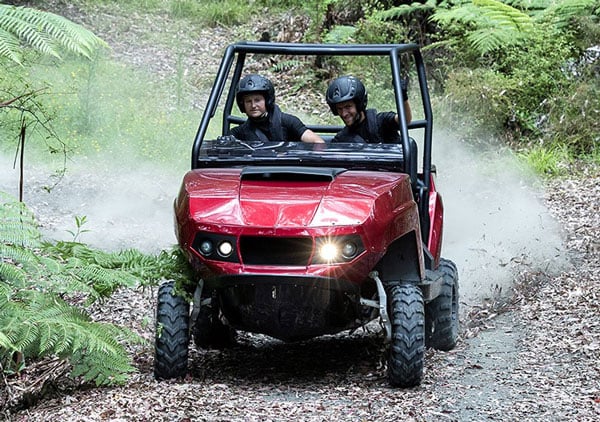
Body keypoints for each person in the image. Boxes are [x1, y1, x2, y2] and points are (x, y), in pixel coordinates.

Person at [231, 74, 324, 143]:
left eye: (257, 100)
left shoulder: (288, 122)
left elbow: (318, 142)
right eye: (248, 101)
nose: (253, 105)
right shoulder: (239, 132)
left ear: (267, 101)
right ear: (242, 104)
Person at [325, 75, 412, 144]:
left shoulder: (380, 122)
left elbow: (405, 120)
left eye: (348, 107)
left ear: (359, 105)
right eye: (339, 109)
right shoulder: (342, 138)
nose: (344, 114)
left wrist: (403, 96)